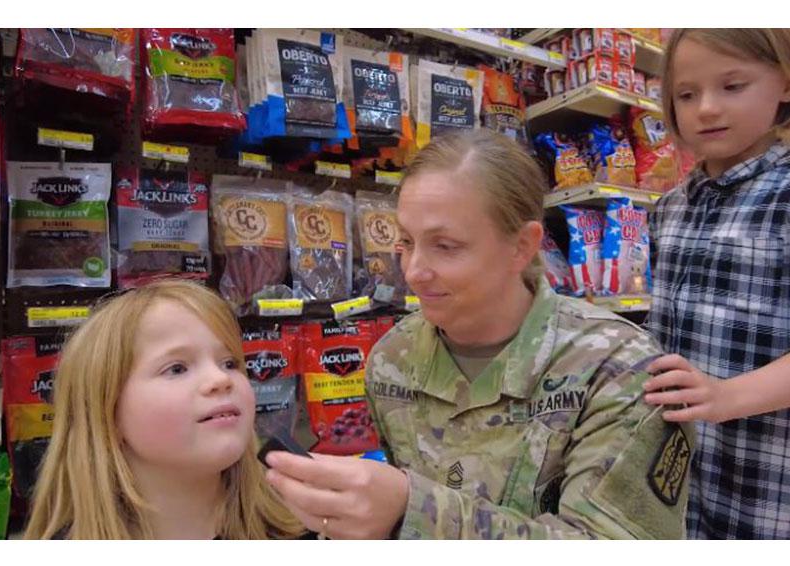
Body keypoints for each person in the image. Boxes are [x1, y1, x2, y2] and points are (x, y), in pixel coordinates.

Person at [265, 129, 694, 539]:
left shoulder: (617, 367)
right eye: (407, 242)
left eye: (446, 246)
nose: (414, 272)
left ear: (522, 246)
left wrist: (410, 511)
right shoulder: (391, 359)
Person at [642, 29, 790, 539]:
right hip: (665, 473)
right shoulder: (668, 209)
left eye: (732, 86)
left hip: (761, 483)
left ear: (786, 83)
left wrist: (726, 395)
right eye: (686, 94)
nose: (706, 109)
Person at [24, 280, 305, 539]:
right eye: (177, 368)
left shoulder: (302, 527)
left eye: (230, 363)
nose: (221, 380)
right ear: (107, 412)